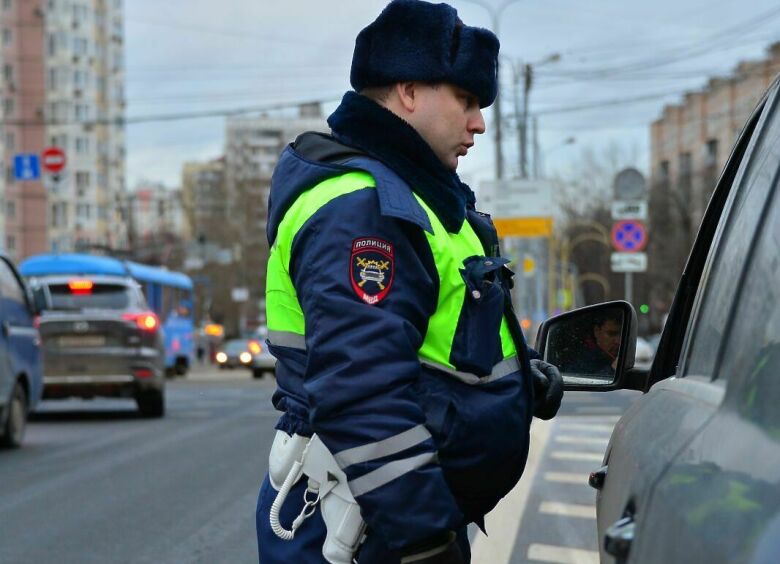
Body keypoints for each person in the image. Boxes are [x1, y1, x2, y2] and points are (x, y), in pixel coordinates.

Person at [256, 1, 564, 562]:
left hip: (389, 515)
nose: (479, 122)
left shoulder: (420, 200)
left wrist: (516, 383)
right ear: (409, 92)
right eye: (467, 100)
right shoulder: (364, 209)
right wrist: (426, 539)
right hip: (367, 526)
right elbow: (361, 391)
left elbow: (436, 342)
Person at [568, 311, 623, 376]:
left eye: (622, 335)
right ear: (597, 331)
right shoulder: (583, 360)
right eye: (611, 334)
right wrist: (612, 369)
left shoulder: (611, 356)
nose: (618, 341)